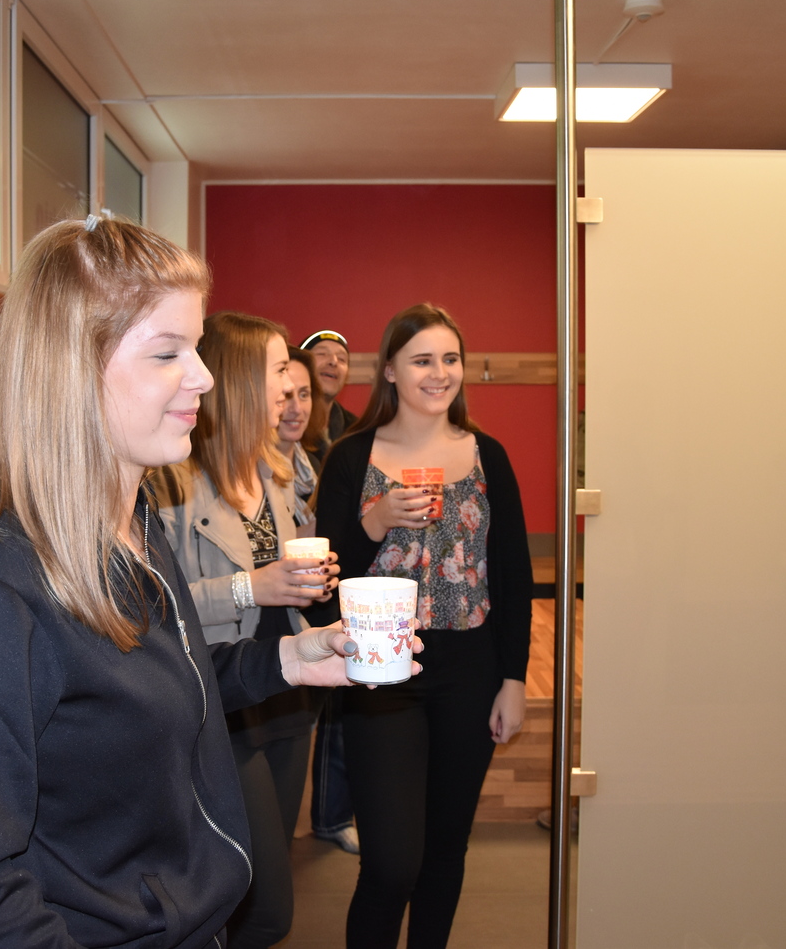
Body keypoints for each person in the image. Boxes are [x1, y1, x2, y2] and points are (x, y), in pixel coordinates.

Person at [0, 216, 415, 949]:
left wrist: (291, 660)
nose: (201, 377)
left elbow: (168, 685)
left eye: (195, 348)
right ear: (72, 369)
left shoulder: (139, 528)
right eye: (168, 352)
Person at [314, 303, 532, 949]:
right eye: (422, 360)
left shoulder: (487, 456)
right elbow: (325, 575)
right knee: (390, 862)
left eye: (450, 359)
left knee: (445, 851)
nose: (440, 374)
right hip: (382, 672)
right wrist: (375, 521)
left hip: (470, 668)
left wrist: (514, 678)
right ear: (389, 371)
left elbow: (513, 575)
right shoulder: (354, 458)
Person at [154, 312, 339, 949]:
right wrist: (251, 587)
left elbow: (283, 573)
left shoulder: (276, 473)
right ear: (237, 384)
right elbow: (156, 607)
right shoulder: (172, 484)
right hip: (221, 706)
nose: (291, 387)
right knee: (262, 909)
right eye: (277, 370)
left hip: (285, 695)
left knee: (261, 888)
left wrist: (311, 578)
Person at [282, 346, 361, 855]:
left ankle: (329, 816)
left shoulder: (310, 461)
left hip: (309, 615)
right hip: (264, 638)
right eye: (283, 393)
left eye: (303, 394)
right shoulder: (262, 467)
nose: (294, 405)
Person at [278, 346, 328, 533]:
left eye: (304, 394)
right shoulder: (250, 476)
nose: (297, 408)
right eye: (287, 395)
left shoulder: (314, 465)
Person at [301, 329, 354, 443]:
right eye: (322, 354)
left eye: (341, 359)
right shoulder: (283, 424)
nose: (333, 362)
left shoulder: (356, 431)